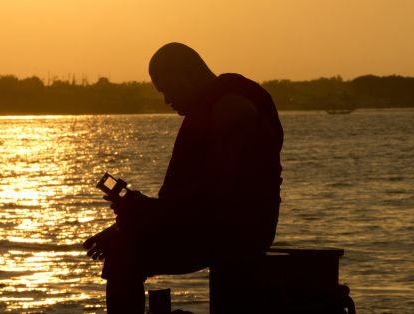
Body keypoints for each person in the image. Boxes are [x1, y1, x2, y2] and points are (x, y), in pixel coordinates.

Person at [83, 42, 283, 313]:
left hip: (236, 231)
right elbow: (193, 201)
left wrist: (144, 214)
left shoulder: (232, 109)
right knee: (123, 244)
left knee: (123, 254)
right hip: (208, 224)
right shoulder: (211, 108)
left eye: (167, 89)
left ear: (186, 75)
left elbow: (216, 199)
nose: (167, 100)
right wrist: (131, 221)